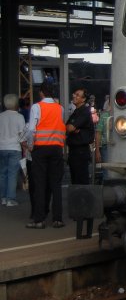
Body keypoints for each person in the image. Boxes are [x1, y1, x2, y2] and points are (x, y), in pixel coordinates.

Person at [23, 82, 66, 229]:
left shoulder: (37, 107)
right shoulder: (60, 108)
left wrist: (30, 145)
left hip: (40, 149)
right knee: (56, 185)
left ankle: (39, 220)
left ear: (41, 92)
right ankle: (58, 219)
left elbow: (31, 130)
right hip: (56, 149)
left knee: (40, 184)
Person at [0, 93, 26, 206]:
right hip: (15, 148)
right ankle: (11, 199)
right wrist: (25, 147)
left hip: (1, 147)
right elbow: (22, 135)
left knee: (2, 173)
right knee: (12, 174)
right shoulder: (19, 117)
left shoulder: (1, 116)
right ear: (16, 103)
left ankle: (3, 198)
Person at [65, 87, 94, 186]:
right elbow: (67, 127)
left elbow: (71, 128)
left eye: (77, 95)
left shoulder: (84, 112)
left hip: (80, 151)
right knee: (74, 179)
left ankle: (83, 200)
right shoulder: (75, 112)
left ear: (83, 99)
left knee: (80, 179)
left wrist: (73, 128)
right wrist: (71, 128)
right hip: (73, 150)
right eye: (74, 93)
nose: (74, 96)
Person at [94, 101, 112, 181]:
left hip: (111, 147)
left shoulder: (104, 116)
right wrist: (97, 151)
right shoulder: (104, 116)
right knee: (107, 171)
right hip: (106, 147)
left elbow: (98, 133)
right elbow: (98, 133)